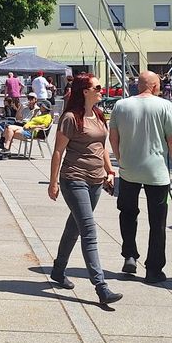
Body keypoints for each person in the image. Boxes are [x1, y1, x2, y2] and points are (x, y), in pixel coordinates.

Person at [48, 74, 121, 304]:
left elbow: (102, 147)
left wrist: (110, 171)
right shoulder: (71, 118)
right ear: (84, 91)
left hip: (96, 180)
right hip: (74, 178)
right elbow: (58, 151)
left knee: (75, 226)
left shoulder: (99, 115)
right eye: (97, 87)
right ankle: (101, 287)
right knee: (89, 230)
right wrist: (53, 182)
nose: (102, 90)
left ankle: (58, 270)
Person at [110, 70, 172, 284]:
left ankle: (130, 255)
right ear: (153, 85)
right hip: (157, 172)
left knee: (127, 213)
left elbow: (113, 137)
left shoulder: (121, 105)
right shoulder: (165, 106)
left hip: (128, 170)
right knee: (158, 221)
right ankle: (153, 269)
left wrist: (120, 158)